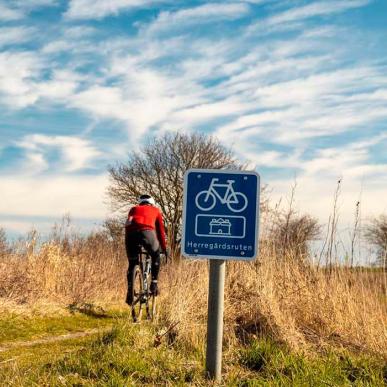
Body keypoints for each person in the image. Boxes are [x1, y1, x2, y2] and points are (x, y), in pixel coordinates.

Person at [125, 194, 167, 305]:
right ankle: (154, 283)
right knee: (155, 255)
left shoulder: (133, 209)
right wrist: (163, 247)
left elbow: (128, 223)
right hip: (147, 232)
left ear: (140, 203)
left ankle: (130, 292)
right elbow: (161, 231)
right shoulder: (156, 210)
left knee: (132, 263)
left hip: (130, 234)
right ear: (152, 203)